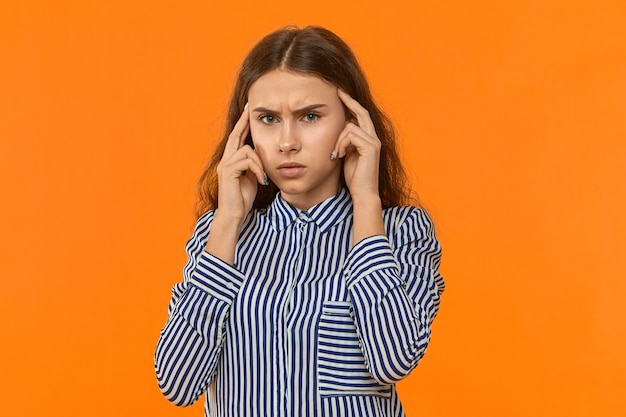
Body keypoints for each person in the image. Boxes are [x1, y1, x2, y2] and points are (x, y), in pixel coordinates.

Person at [154, 25, 445, 417]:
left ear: (352, 121)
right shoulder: (218, 236)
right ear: (245, 131)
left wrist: (365, 200)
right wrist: (226, 223)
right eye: (268, 119)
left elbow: (392, 359)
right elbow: (178, 382)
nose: (287, 142)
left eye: (309, 116)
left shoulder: (402, 232)